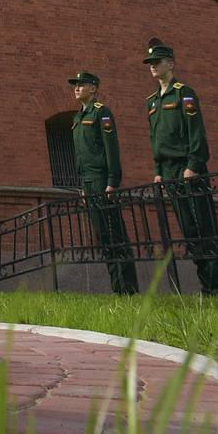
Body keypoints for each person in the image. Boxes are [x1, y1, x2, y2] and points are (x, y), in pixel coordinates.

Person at [144, 40, 218, 297]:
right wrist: (158, 168)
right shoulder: (152, 101)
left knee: (205, 227)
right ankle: (206, 286)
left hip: (187, 168)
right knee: (189, 229)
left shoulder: (184, 93)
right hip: (169, 170)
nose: (152, 67)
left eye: (156, 62)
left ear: (170, 64)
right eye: (150, 64)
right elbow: (155, 138)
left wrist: (194, 164)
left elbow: (196, 133)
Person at [68, 72, 138, 295]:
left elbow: (111, 149)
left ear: (93, 88)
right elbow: (80, 155)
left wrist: (112, 181)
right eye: (75, 85)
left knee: (115, 232)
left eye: (82, 84)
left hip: (101, 180)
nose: (77, 88)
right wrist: (81, 185)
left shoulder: (101, 112)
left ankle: (128, 288)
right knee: (103, 236)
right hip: (88, 182)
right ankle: (117, 287)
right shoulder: (78, 118)